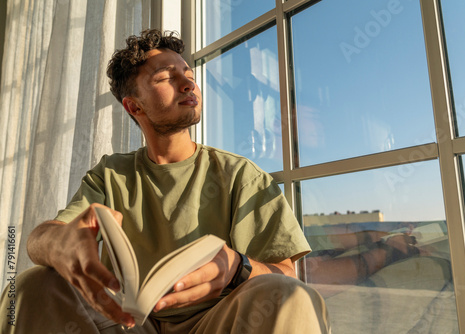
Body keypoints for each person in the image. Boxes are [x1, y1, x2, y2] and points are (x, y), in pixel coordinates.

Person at [0, 29, 330, 334]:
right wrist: (56, 243)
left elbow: (287, 276)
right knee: (33, 285)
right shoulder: (112, 173)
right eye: (166, 77)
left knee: (288, 295)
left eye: (188, 74)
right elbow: (39, 240)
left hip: (218, 322)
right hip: (131, 323)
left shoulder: (242, 175)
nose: (187, 84)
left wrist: (238, 268)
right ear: (134, 106)